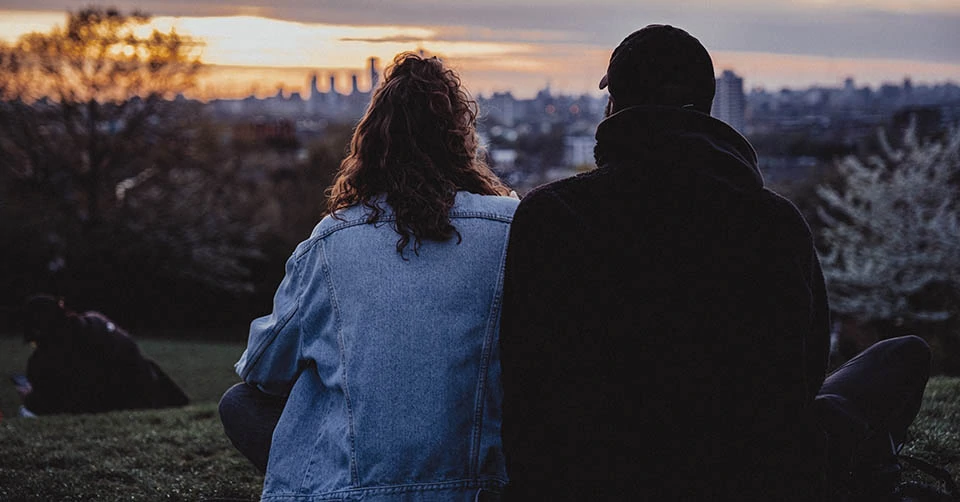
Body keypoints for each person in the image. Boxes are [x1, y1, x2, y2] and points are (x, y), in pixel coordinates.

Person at [498, 24, 930, 501]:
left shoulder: (552, 216)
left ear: (614, 106)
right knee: (903, 355)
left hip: (594, 477)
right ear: (706, 108)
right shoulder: (775, 222)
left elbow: (525, 388)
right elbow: (804, 374)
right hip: (751, 478)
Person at [219, 52, 518, 501]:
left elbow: (264, 368)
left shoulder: (332, 239)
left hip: (355, 489)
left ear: (373, 142)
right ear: (462, 139)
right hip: (482, 486)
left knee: (241, 402)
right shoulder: (512, 225)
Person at [15, 294, 189, 415]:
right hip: (150, 395)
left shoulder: (44, 361)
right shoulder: (96, 322)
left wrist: (28, 397)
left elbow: (56, 402)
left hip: (111, 403)